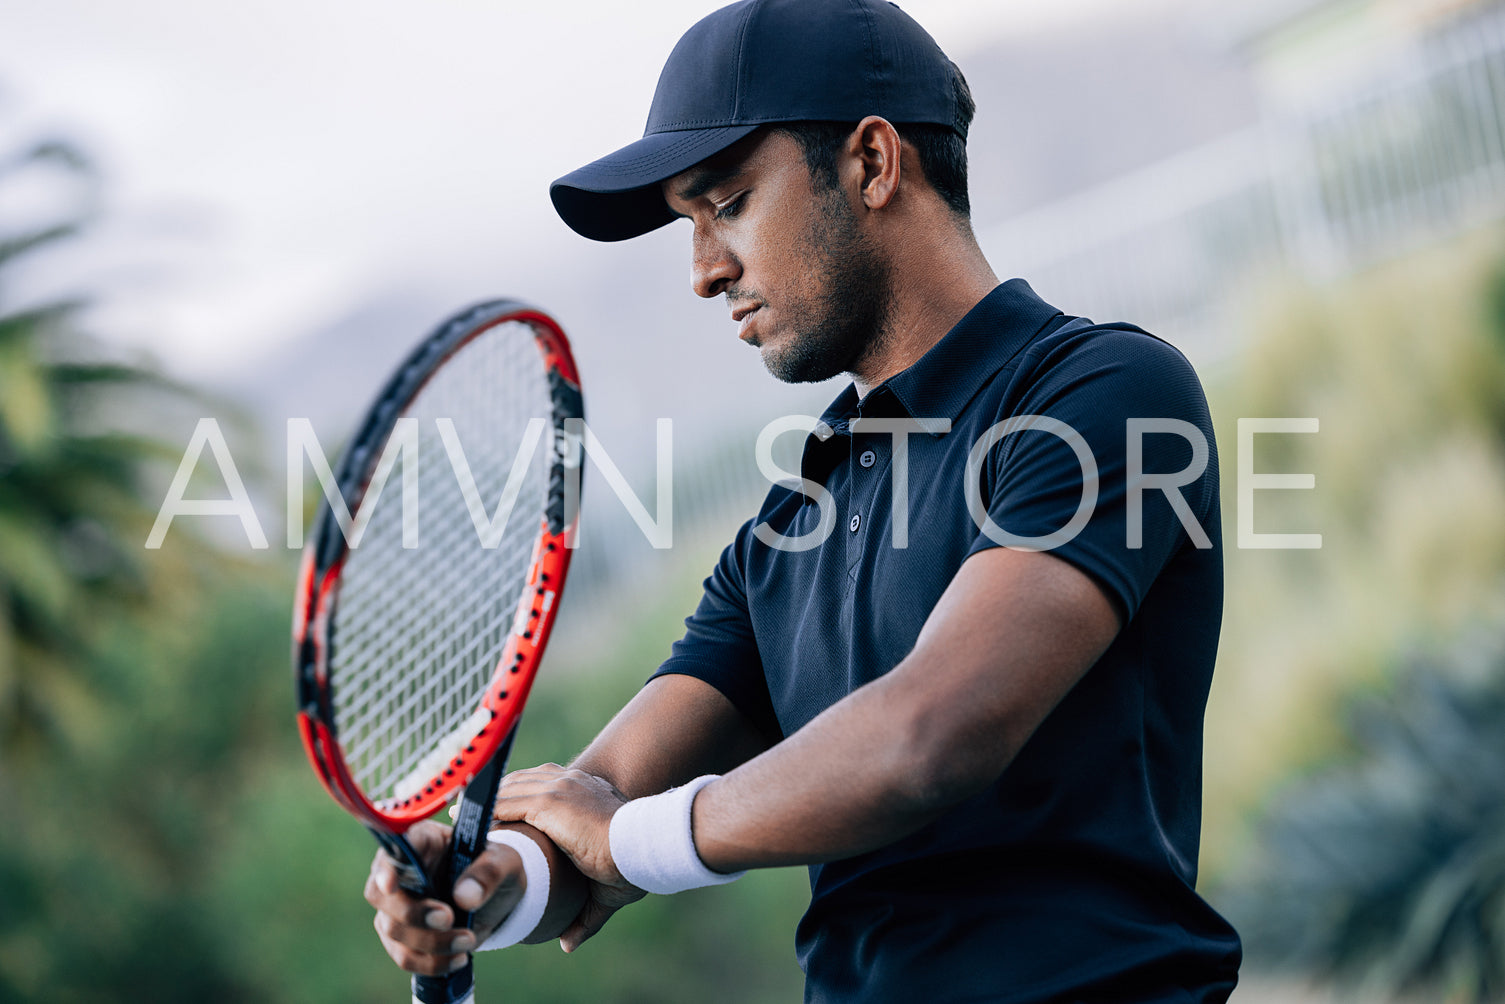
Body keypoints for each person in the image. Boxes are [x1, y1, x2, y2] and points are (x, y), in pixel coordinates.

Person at [364, 0, 1243, 1000]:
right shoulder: (786, 529)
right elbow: (595, 806)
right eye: (688, 226)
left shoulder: (1101, 392)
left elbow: (929, 736)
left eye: (727, 203)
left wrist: (624, 836)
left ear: (871, 162)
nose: (702, 272)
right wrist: (482, 886)